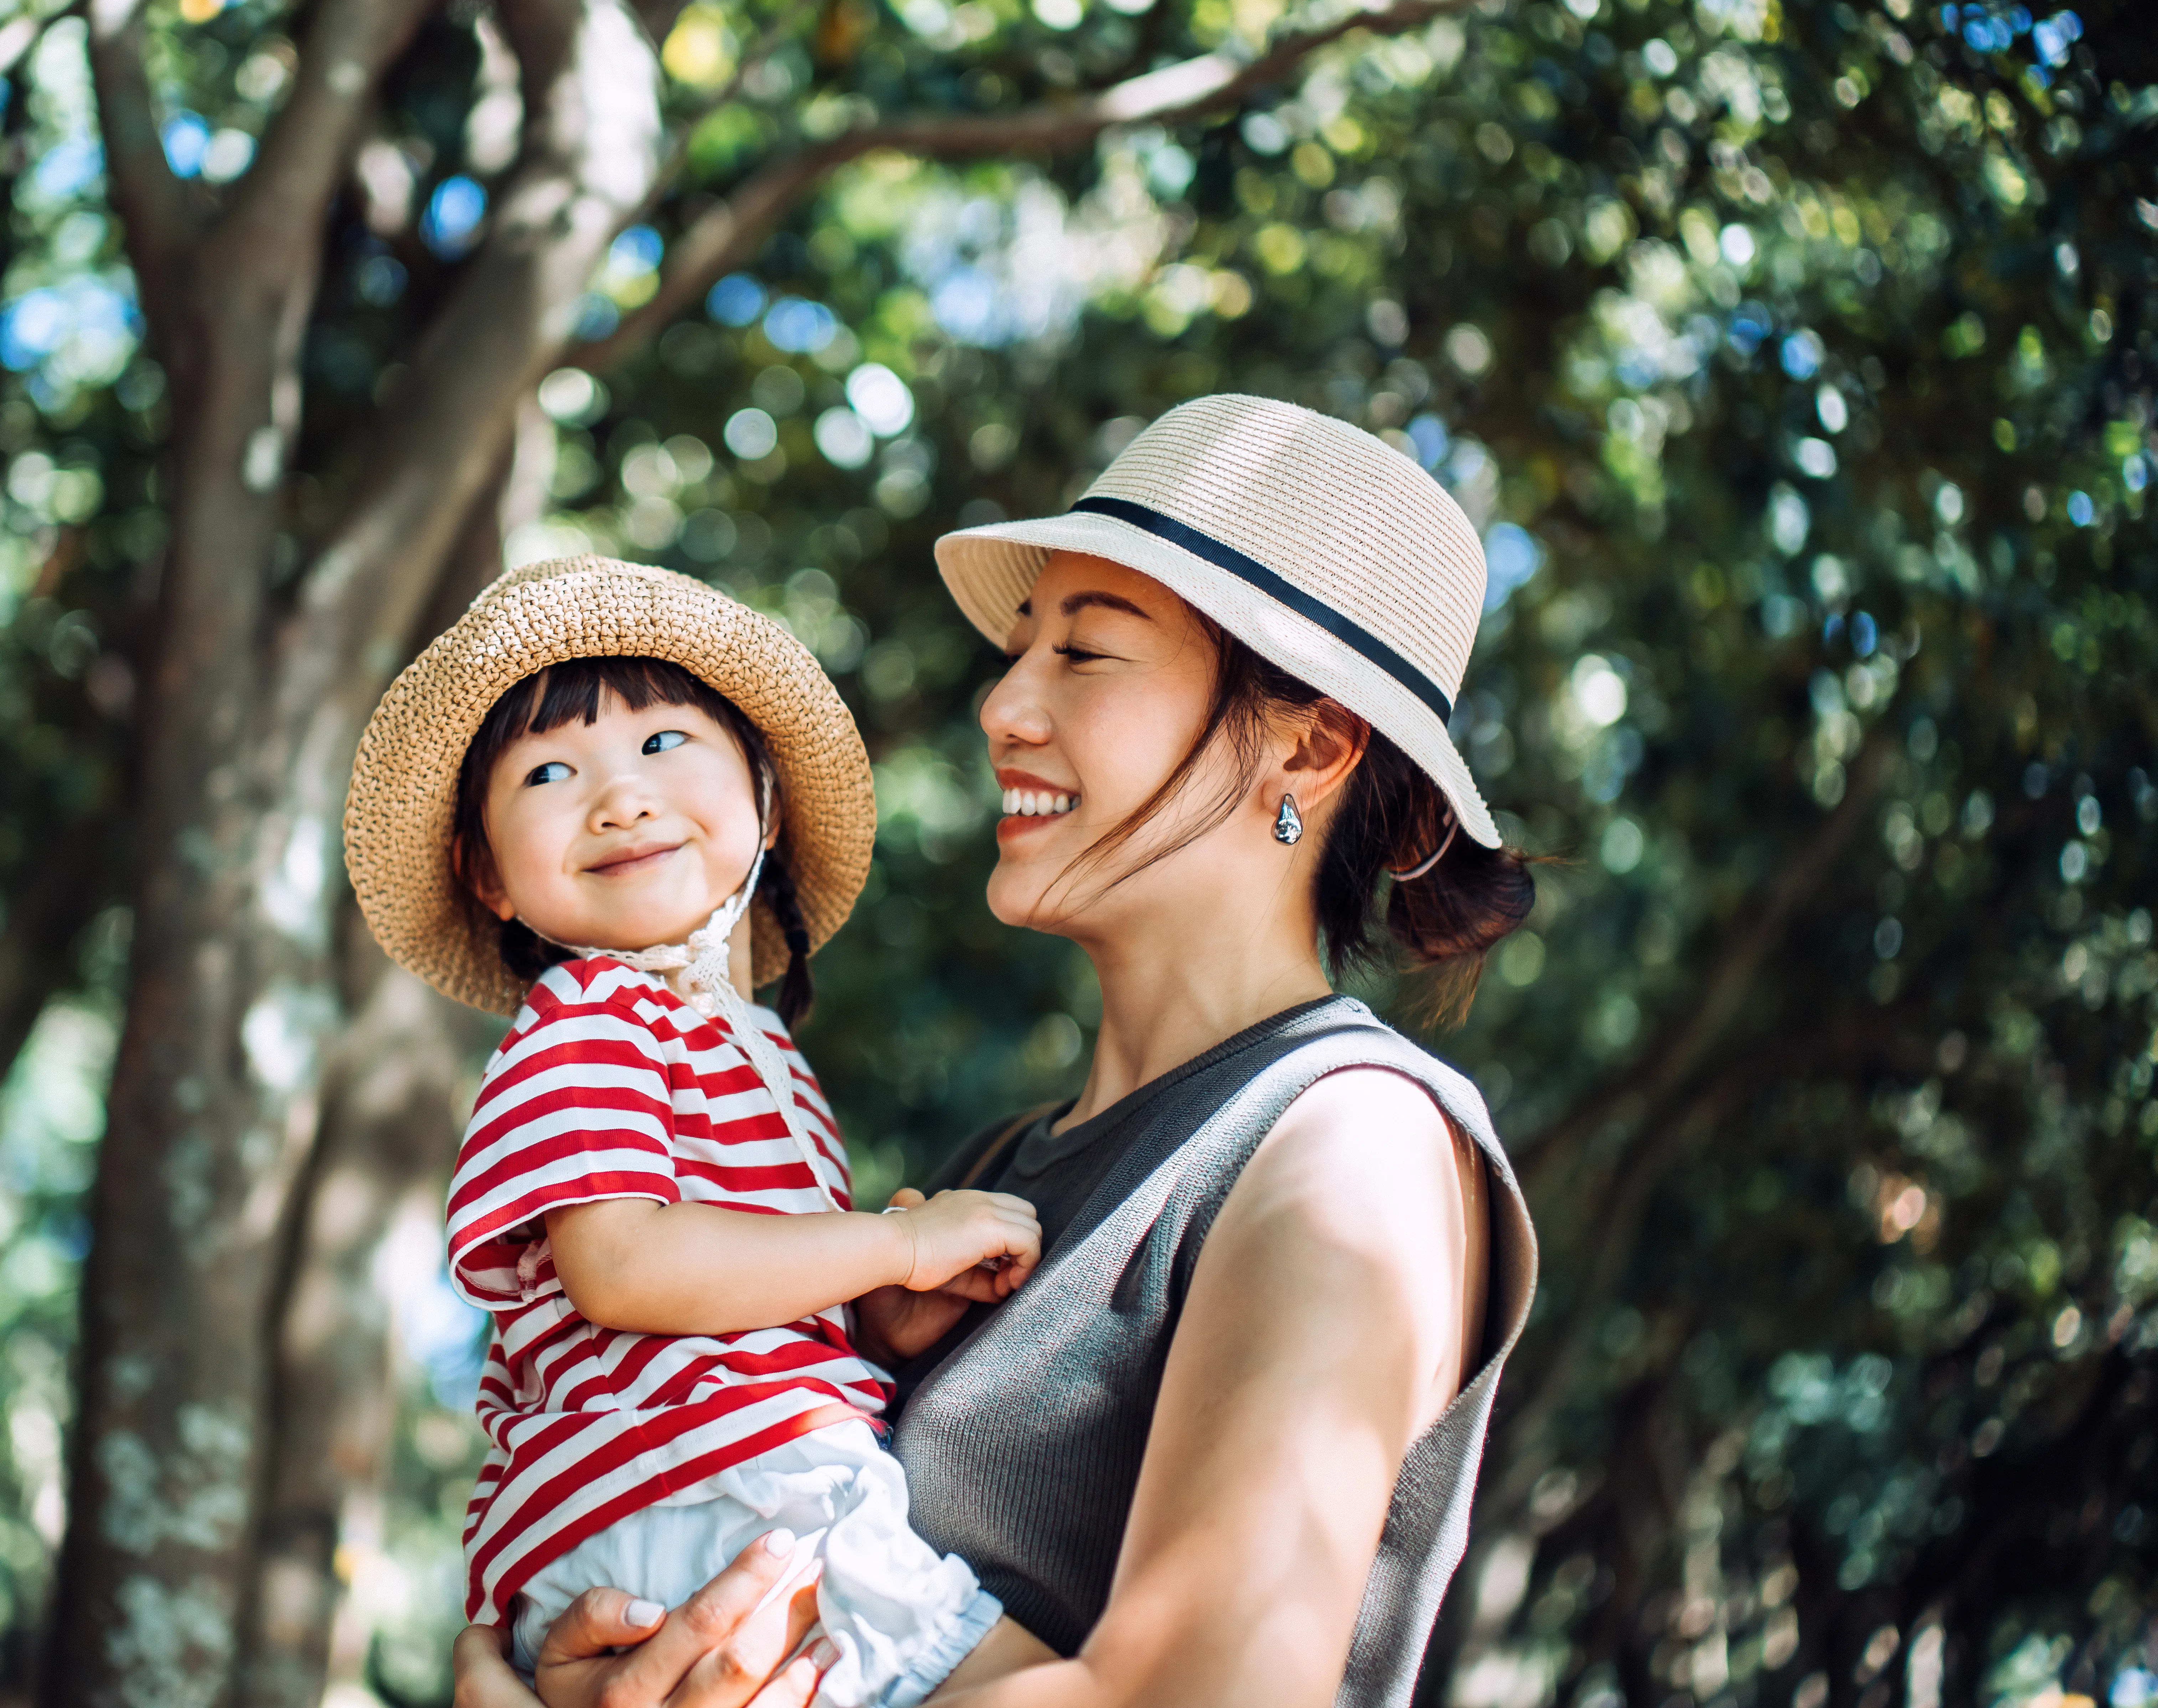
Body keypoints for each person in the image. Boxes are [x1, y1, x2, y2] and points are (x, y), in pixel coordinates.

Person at [450, 394, 1546, 1708]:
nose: (1004, 705)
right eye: (1022, 648)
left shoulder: (1346, 1141)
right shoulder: (994, 1173)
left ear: (1305, 745)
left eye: (1086, 655)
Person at [343, 555, 1050, 1708]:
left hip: (714, 1476)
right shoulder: (589, 1015)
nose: (620, 798)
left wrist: (882, 1308)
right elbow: (623, 1264)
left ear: (763, 799)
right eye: (552, 772)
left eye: (664, 744)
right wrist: (893, 1244)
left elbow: (737, 1275)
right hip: (690, 1480)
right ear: (489, 875)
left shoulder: (754, 1048)